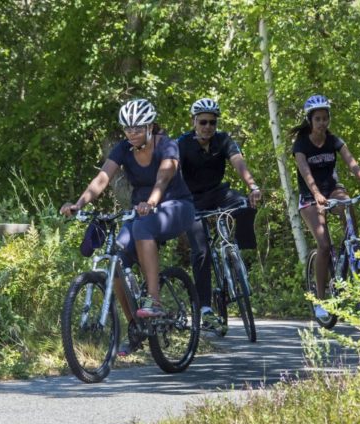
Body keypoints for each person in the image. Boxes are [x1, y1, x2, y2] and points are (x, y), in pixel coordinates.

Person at [60, 98, 195, 354]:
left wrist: (152, 202)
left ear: (150, 126)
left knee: (143, 228)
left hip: (176, 207)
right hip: (141, 213)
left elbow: (164, 176)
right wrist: (79, 204)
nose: (131, 133)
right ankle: (135, 327)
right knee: (116, 256)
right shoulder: (123, 149)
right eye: (127, 128)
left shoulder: (166, 145)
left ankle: (154, 301)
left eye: (137, 128)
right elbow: (102, 178)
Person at [291, 94, 360, 320]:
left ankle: (353, 252)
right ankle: (321, 300)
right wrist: (316, 194)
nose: (322, 123)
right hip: (310, 197)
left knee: (348, 205)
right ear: (310, 121)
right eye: (318, 119)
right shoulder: (301, 145)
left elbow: (352, 164)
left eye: (325, 118)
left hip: (332, 190)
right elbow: (305, 172)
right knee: (323, 245)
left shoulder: (334, 141)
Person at [178, 98, 262, 331]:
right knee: (202, 251)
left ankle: (235, 250)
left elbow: (239, 163)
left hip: (217, 194)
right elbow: (171, 174)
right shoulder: (182, 144)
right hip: (191, 201)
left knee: (245, 203)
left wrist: (253, 186)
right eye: (203, 122)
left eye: (212, 123)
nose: (207, 127)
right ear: (193, 121)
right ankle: (205, 308)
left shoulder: (223, 140)